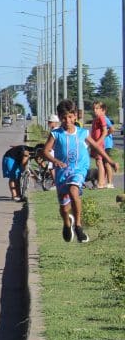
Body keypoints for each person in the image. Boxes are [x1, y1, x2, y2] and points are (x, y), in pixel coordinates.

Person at [41, 99, 119, 244]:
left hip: (79, 169)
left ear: (75, 116)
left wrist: (110, 160)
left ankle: (78, 225)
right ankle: (66, 223)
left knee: (73, 190)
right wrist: (55, 161)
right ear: (59, 117)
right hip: (62, 171)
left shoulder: (82, 132)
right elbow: (45, 151)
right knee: (64, 208)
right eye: (64, 117)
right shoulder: (56, 134)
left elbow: (97, 147)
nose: (67, 120)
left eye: (70, 117)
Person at [88, 101, 110, 188]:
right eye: (94, 108)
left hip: (99, 144)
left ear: (102, 109)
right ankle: (101, 182)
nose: (95, 110)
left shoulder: (101, 118)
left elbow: (105, 132)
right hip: (94, 143)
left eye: (97, 108)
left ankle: (101, 183)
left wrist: (97, 143)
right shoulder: (95, 119)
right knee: (98, 162)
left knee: (99, 161)